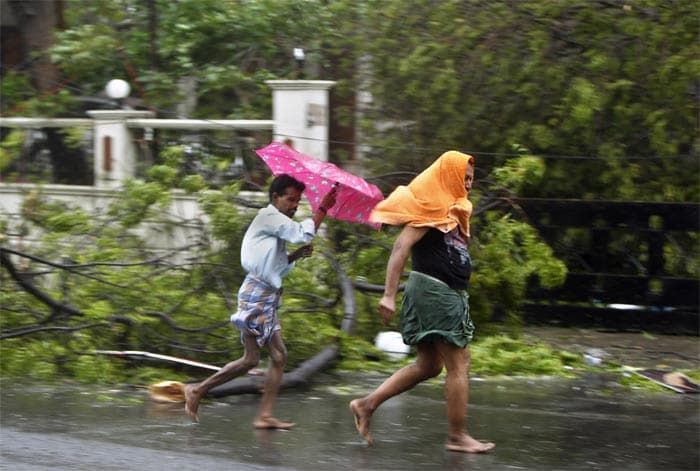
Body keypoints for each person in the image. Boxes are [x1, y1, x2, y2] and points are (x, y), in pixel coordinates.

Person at [349, 150, 495, 453]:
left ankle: (366, 404)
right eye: (463, 177)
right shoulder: (432, 203)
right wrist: (389, 295)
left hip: (443, 293)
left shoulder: (453, 210)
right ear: (449, 174)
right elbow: (401, 246)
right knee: (459, 362)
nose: (468, 184)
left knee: (429, 365)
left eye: (471, 179)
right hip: (435, 292)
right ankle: (457, 436)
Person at [185, 174, 337, 428]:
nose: (294, 205)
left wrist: (296, 256)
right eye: (291, 199)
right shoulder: (269, 217)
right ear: (275, 198)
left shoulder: (273, 226)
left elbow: (275, 267)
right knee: (255, 359)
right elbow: (302, 234)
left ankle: (262, 415)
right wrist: (322, 208)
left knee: (276, 357)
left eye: (298, 201)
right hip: (257, 293)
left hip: (264, 293)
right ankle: (198, 390)